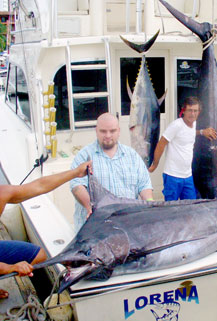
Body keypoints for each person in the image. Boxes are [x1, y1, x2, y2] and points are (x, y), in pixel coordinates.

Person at [0, 161, 91, 299]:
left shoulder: (2, 193)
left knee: (38, 255)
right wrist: (10, 268)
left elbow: (39, 186)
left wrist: (76, 173)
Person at [71, 113, 153, 231]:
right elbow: (77, 186)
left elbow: (144, 185)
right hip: (94, 228)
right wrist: (89, 207)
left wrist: (150, 204)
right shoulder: (84, 156)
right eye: (103, 131)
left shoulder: (132, 155)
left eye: (112, 131)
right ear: (96, 131)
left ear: (119, 131)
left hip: (127, 226)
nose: (108, 135)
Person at [149, 97, 217, 201]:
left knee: (191, 207)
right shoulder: (176, 125)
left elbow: (187, 134)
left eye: (195, 111)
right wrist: (155, 164)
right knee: (172, 209)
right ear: (183, 110)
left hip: (187, 176)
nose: (192, 114)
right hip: (172, 176)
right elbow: (161, 143)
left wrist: (202, 132)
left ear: (199, 112)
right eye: (189, 110)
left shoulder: (193, 124)